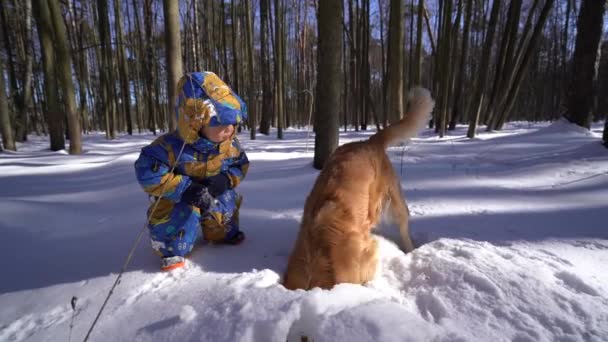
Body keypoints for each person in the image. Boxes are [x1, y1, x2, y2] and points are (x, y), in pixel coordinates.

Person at [134, 72, 249, 271]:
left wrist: (226, 179)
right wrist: (184, 188)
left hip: (212, 192)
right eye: (221, 124)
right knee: (179, 213)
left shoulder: (230, 145)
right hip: (181, 197)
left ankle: (221, 232)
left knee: (225, 202)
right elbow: (147, 173)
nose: (229, 129)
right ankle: (171, 248)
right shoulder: (170, 147)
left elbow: (240, 164)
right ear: (195, 124)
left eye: (233, 124)